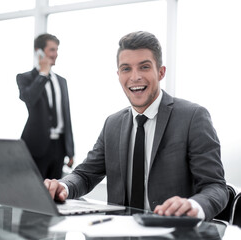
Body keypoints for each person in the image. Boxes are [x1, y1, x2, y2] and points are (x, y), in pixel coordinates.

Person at [44, 31, 228, 221]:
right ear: (118, 75)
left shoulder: (192, 117)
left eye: (144, 67)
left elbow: (215, 187)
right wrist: (62, 187)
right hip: (119, 232)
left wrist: (194, 206)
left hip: (172, 233)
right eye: (126, 69)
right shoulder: (112, 124)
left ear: (161, 72)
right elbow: (84, 175)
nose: (135, 77)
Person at [16, 33, 74, 179]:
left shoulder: (62, 81)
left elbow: (66, 115)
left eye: (57, 50)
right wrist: (43, 73)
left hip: (59, 147)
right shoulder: (25, 78)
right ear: (39, 51)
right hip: (36, 146)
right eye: (52, 50)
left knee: (55, 192)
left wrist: (70, 149)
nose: (56, 54)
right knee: (35, 191)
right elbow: (29, 98)